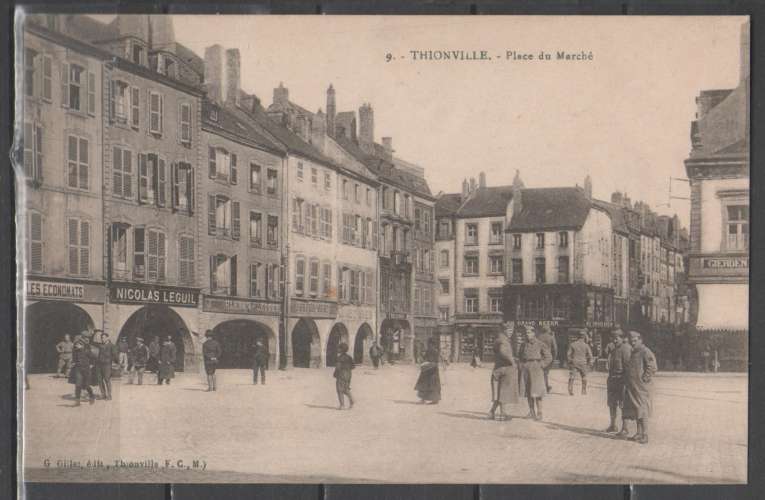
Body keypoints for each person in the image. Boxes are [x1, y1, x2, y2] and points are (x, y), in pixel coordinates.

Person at [621, 331, 658, 444]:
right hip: (633, 387)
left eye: (635, 341)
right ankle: (638, 433)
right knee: (636, 410)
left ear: (640, 340)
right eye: (631, 341)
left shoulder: (645, 351)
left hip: (641, 388)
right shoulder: (633, 352)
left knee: (642, 410)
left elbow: (652, 367)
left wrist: (644, 379)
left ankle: (645, 434)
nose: (633, 343)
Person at [519, 325, 552, 421]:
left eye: (529, 332)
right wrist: (521, 365)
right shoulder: (523, 344)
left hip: (536, 368)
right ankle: (531, 411)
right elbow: (520, 356)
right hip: (526, 368)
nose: (527, 334)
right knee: (528, 391)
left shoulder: (540, 344)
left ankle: (539, 412)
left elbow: (549, 357)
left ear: (534, 333)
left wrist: (541, 365)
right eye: (526, 333)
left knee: (537, 391)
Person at [489, 323, 519, 421]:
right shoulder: (504, 340)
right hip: (505, 369)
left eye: (512, 331)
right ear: (505, 330)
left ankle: (491, 412)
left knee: (499, 392)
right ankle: (502, 414)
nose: (510, 333)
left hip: (497, 368)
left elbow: (498, 352)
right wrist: (512, 361)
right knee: (504, 392)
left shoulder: (498, 339)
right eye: (509, 331)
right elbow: (503, 352)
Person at [606, 329, 632, 433]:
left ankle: (625, 428)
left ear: (622, 338)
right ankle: (613, 425)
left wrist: (627, 383)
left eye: (616, 338)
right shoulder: (614, 349)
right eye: (613, 339)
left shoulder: (625, 349)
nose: (615, 341)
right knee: (612, 403)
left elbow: (628, 367)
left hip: (622, 380)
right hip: (612, 379)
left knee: (623, 404)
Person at [68, 333, 95, 406]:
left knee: (86, 385)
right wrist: (73, 362)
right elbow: (74, 353)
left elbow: (91, 355)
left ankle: (92, 396)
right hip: (78, 367)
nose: (87, 339)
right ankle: (77, 401)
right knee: (78, 384)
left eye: (88, 338)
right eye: (86, 337)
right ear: (82, 337)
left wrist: (83, 349)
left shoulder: (87, 346)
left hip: (86, 367)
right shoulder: (77, 344)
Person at [414, 337, 441, 404]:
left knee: (425, 384)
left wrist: (423, 360)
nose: (428, 345)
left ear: (431, 344)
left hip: (428, 369)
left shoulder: (430, 350)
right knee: (433, 385)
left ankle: (424, 399)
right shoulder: (435, 350)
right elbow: (436, 360)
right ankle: (434, 399)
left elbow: (427, 359)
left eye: (429, 344)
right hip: (433, 370)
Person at [567, 329, 593, 395]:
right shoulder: (586, 346)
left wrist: (570, 361)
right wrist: (590, 363)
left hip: (574, 362)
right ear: (584, 336)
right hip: (583, 363)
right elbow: (590, 355)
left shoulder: (573, 344)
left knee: (572, 376)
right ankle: (583, 391)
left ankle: (570, 389)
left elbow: (568, 354)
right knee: (584, 376)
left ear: (578, 336)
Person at [93, 332, 119, 400]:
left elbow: (115, 356)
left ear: (108, 338)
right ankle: (103, 394)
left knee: (107, 380)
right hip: (99, 365)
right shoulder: (100, 345)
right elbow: (93, 342)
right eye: (101, 338)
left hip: (107, 365)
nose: (102, 339)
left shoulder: (112, 346)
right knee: (99, 380)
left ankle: (109, 395)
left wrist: (114, 362)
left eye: (104, 338)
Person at [333, 342, 355, 409]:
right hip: (348, 374)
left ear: (341, 349)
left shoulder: (339, 358)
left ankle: (342, 405)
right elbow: (353, 366)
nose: (338, 349)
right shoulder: (349, 357)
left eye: (339, 348)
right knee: (346, 388)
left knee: (339, 389)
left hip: (341, 374)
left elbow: (338, 367)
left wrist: (335, 374)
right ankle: (351, 400)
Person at [537, 325, 558, 393]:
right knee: (545, 373)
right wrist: (554, 357)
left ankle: (541, 386)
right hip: (547, 356)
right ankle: (545, 387)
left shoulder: (538, 337)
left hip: (539, 356)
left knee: (540, 372)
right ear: (548, 330)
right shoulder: (551, 337)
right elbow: (555, 348)